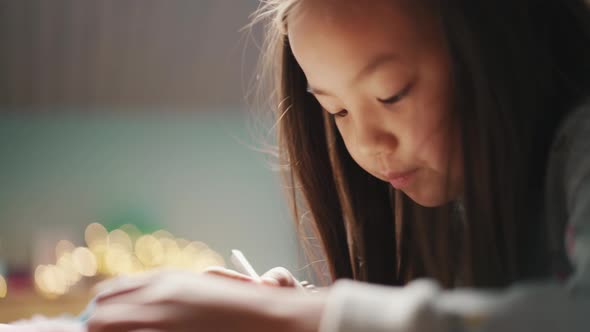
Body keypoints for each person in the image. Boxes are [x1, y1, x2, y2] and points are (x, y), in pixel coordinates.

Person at [86, 0, 590, 331]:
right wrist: (295, 303)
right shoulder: (458, 206)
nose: (366, 142)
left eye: (391, 94)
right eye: (338, 112)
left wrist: (304, 317)